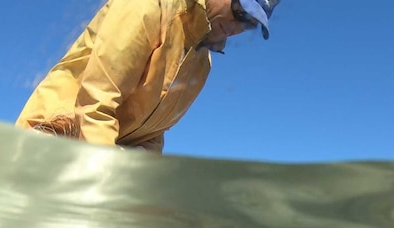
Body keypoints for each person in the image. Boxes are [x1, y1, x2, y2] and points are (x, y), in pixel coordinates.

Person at [15, 0, 280, 153]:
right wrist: (113, 184)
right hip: (53, 142)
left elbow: (153, 134)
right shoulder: (150, 5)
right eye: (240, 11)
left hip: (106, 158)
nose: (237, 28)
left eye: (250, 23)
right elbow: (95, 105)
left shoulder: (202, 63)